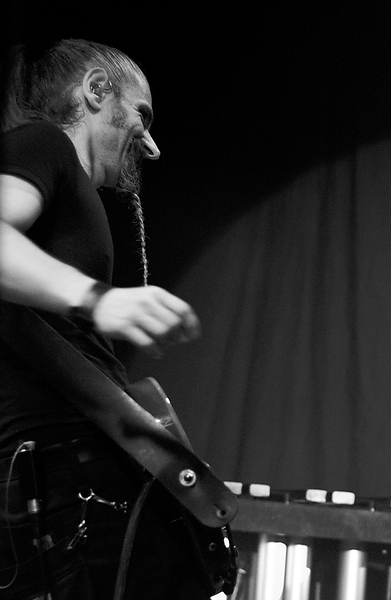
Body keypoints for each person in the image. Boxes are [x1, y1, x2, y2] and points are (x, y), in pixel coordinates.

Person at [0, 39, 211, 599]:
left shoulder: (61, 175)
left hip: (74, 469)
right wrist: (99, 299)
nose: (153, 145)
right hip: (56, 474)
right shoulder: (43, 144)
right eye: (141, 114)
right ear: (96, 91)